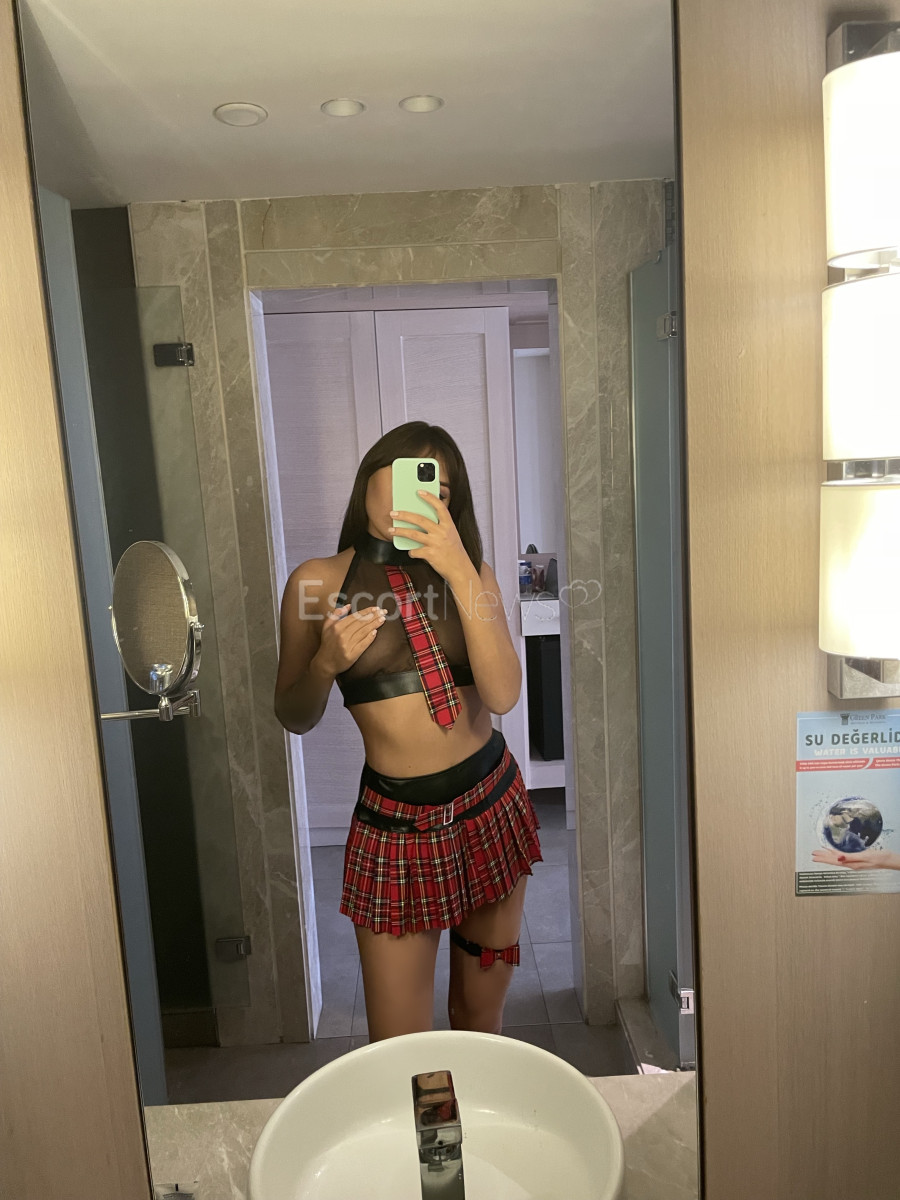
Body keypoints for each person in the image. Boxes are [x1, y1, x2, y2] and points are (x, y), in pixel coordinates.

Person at [274, 421, 542, 1041]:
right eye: (403, 477)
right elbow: (294, 714)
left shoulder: (473, 574)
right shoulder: (315, 585)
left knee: (481, 1021)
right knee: (401, 1048)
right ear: (367, 477)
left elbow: (503, 695)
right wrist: (325, 664)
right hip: (395, 831)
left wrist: (460, 570)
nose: (416, 497)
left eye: (436, 491)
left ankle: (479, 1110)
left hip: (491, 808)